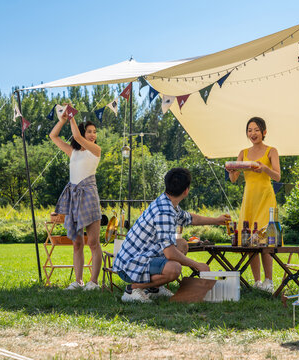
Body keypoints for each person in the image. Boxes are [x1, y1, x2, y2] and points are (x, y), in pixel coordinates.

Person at [113, 167, 231, 303]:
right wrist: (197, 265)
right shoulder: (165, 212)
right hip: (129, 266)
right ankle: (132, 289)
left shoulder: (167, 202)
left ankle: (154, 289)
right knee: (174, 269)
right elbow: (170, 253)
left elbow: (190, 218)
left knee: (182, 244)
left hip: (141, 257)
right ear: (186, 191)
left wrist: (217, 220)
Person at [50, 109, 102, 291]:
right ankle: (78, 281)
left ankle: (93, 282)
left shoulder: (96, 150)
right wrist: (64, 119)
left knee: (94, 242)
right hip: (74, 197)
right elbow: (53, 136)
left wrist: (72, 117)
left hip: (88, 195)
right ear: (83, 131)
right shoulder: (73, 152)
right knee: (77, 243)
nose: (93, 135)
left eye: (95, 132)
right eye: (89, 131)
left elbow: (77, 137)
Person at [228, 117, 281, 292]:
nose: (253, 133)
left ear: (264, 132)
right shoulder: (243, 152)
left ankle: (269, 281)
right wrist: (232, 171)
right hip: (249, 198)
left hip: (266, 198)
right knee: (249, 239)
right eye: (250, 130)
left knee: (264, 240)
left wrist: (263, 168)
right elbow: (234, 179)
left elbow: (277, 176)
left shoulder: (271, 151)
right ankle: (257, 281)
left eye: (256, 130)